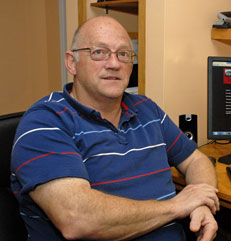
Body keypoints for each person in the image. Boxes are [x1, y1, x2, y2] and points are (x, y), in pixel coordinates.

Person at [10, 16, 219, 241]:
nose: (114, 63)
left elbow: (196, 161)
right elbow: (77, 219)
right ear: (72, 62)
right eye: (99, 52)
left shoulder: (147, 110)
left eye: (123, 54)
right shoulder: (44, 122)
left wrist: (201, 204)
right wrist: (177, 206)